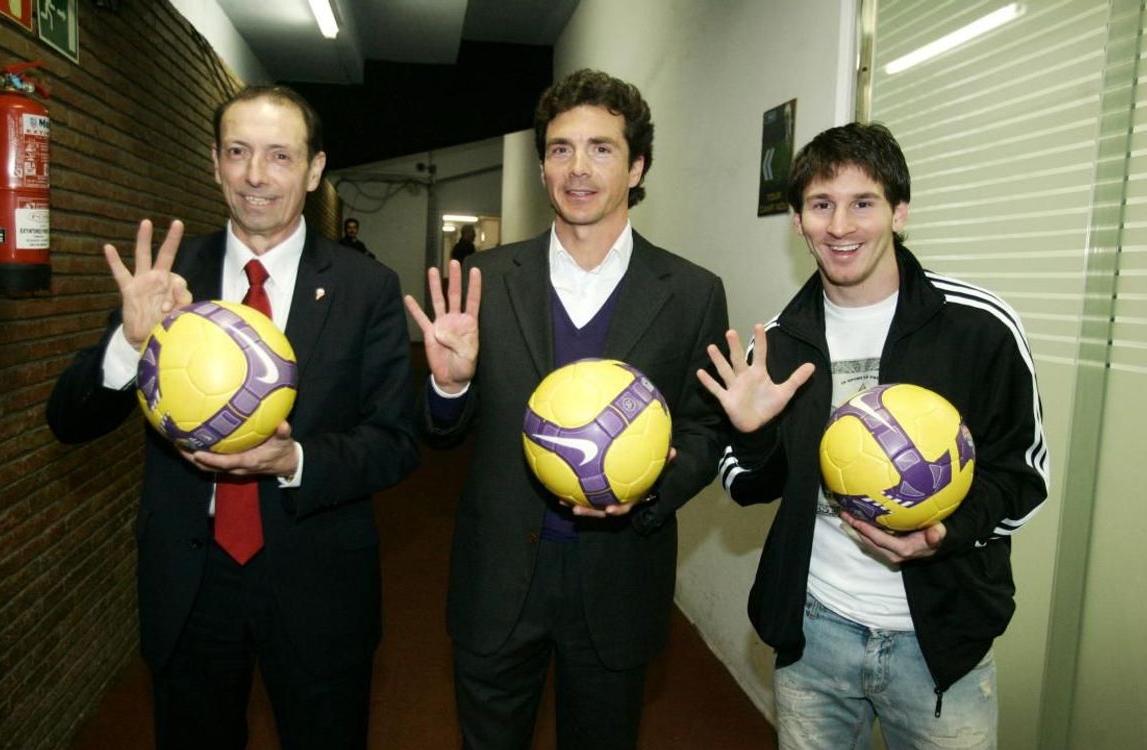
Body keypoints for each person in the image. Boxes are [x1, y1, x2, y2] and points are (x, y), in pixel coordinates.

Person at [47, 85, 418, 749]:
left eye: (280, 155)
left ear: (314, 169)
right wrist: (130, 341)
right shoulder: (170, 278)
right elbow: (68, 420)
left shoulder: (367, 287)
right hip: (191, 582)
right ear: (215, 163)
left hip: (318, 580)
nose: (255, 175)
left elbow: (395, 441)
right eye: (238, 152)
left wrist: (295, 460)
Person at [404, 69, 729, 749]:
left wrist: (649, 489)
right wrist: (450, 386)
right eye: (560, 149)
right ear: (543, 166)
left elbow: (704, 427)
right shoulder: (486, 281)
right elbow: (441, 433)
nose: (578, 168)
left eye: (601, 149)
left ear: (637, 166)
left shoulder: (692, 292)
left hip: (619, 578)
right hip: (499, 576)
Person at [698, 122, 1049, 749]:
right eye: (821, 205)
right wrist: (750, 436)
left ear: (899, 211)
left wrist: (943, 534)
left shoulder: (978, 327)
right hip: (815, 636)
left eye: (863, 203)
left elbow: (1023, 477)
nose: (840, 226)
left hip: (940, 645)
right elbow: (751, 487)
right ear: (798, 221)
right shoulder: (778, 343)